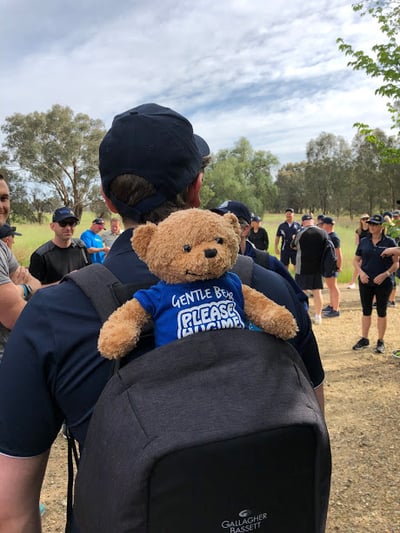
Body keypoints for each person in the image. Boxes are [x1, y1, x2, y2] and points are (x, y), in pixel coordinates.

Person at [0, 103, 324, 533]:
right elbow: (312, 420)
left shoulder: (54, 315)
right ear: (197, 187)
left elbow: (14, 511)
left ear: (106, 197)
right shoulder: (269, 286)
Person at [212, 200, 308, 309]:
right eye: (215, 222)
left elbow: (299, 299)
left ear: (244, 229)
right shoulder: (207, 266)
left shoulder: (266, 262)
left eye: (225, 224)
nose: (217, 229)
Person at [0, 174, 42, 362]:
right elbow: (16, 316)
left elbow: (37, 283)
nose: (1, 206)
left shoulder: (2, 248)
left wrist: (18, 289)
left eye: (4, 198)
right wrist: (23, 288)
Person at [352, 214, 398, 354]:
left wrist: (385, 275)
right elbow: (355, 260)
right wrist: (361, 273)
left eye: (375, 224)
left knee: (381, 312)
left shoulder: (390, 242)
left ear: (381, 227)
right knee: (366, 310)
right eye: (370, 224)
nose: (371, 226)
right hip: (366, 281)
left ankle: (380, 340)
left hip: (383, 282)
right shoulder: (364, 241)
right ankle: (365, 338)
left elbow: (396, 263)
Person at [28, 207, 91, 284]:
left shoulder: (81, 247)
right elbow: (33, 290)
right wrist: (65, 282)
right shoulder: (41, 256)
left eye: (72, 223)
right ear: (52, 226)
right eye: (63, 223)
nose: (68, 228)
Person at [293, 214, 328, 325]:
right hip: (317, 267)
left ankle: (304, 315)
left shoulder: (300, 232)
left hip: (302, 267)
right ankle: (318, 316)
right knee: (317, 292)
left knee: (302, 291)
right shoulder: (322, 232)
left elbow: (293, 246)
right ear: (312, 221)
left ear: (303, 222)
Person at [321, 216, 342, 318]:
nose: (322, 226)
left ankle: (336, 309)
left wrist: (339, 265)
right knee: (330, 286)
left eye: (323, 224)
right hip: (327, 264)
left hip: (332, 264)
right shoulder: (328, 236)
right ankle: (331, 305)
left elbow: (338, 253)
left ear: (328, 225)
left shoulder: (334, 237)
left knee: (333, 286)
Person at [347, 214, 370, 289]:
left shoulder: (371, 230)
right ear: (361, 221)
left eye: (367, 219)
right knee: (358, 264)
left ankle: (354, 281)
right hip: (361, 250)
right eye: (363, 219)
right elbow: (357, 242)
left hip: (370, 250)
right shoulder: (358, 231)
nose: (365, 221)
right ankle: (353, 282)